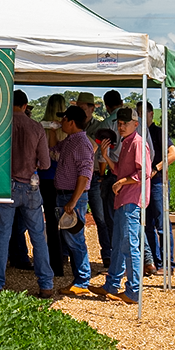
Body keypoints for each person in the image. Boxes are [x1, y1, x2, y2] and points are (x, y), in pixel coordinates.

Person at [0, 90, 53, 298]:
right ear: (25, 106)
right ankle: (46, 284)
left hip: (6, 186)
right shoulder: (36, 127)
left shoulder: (1, 126)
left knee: (2, 236)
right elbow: (46, 163)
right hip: (31, 186)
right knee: (38, 237)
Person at [93, 108, 148, 304]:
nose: (121, 126)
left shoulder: (138, 143)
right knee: (118, 245)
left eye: (125, 123)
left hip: (132, 201)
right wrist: (106, 157)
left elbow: (144, 174)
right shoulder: (126, 142)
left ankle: (133, 291)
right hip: (124, 200)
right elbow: (120, 170)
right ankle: (111, 285)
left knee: (129, 246)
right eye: (119, 123)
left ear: (136, 123)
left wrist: (122, 182)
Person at [54, 106, 95, 296]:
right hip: (66, 195)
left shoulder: (81, 143)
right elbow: (54, 150)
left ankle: (82, 280)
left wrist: (73, 201)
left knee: (76, 239)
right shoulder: (71, 140)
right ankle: (80, 278)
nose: (61, 122)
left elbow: (85, 174)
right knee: (71, 239)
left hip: (72, 196)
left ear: (71, 122)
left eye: (64, 119)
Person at [135, 101, 175, 274]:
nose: (140, 116)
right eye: (137, 114)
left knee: (162, 225)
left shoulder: (158, 132)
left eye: (143, 113)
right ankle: (154, 262)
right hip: (144, 183)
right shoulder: (138, 133)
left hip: (157, 182)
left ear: (151, 114)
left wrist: (156, 168)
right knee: (147, 224)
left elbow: (174, 154)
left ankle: (168, 264)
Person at [76, 92, 114, 269]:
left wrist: (101, 174)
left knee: (101, 217)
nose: (82, 111)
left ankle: (107, 253)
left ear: (92, 108)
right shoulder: (73, 125)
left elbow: (98, 152)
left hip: (94, 177)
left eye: (84, 108)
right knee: (76, 217)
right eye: (79, 108)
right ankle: (72, 254)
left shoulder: (99, 127)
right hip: (77, 177)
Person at [38, 94, 70, 276]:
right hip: (63, 178)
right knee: (65, 220)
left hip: (45, 177)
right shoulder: (66, 128)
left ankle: (51, 261)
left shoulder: (41, 126)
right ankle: (64, 257)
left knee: (49, 221)